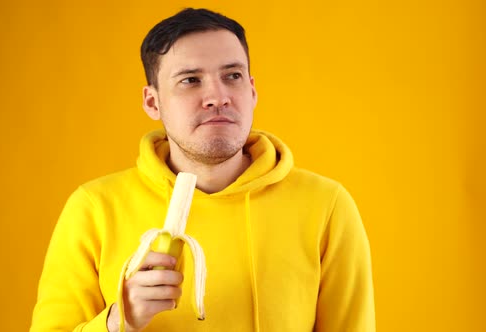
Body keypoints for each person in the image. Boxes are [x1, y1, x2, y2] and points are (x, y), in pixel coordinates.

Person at [30, 7, 376, 332]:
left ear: (252, 90)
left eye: (233, 75)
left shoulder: (326, 205)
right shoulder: (94, 207)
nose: (217, 96)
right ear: (153, 102)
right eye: (190, 80)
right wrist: (119, 319)